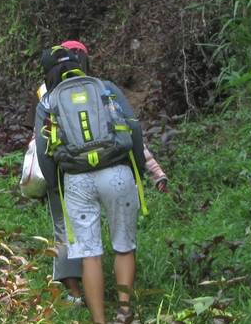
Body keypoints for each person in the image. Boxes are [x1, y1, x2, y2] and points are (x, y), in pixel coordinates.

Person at [35, 42, 169, 310]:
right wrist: (137, 168)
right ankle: (125, 311)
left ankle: (95, 321)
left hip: (76, 180)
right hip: (117, 172)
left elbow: (43, 150)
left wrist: (56, 186)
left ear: (47, 74)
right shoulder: (104, 87)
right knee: (124, 246)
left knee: (90, 254)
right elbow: (134, 128)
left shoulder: (48, 101)